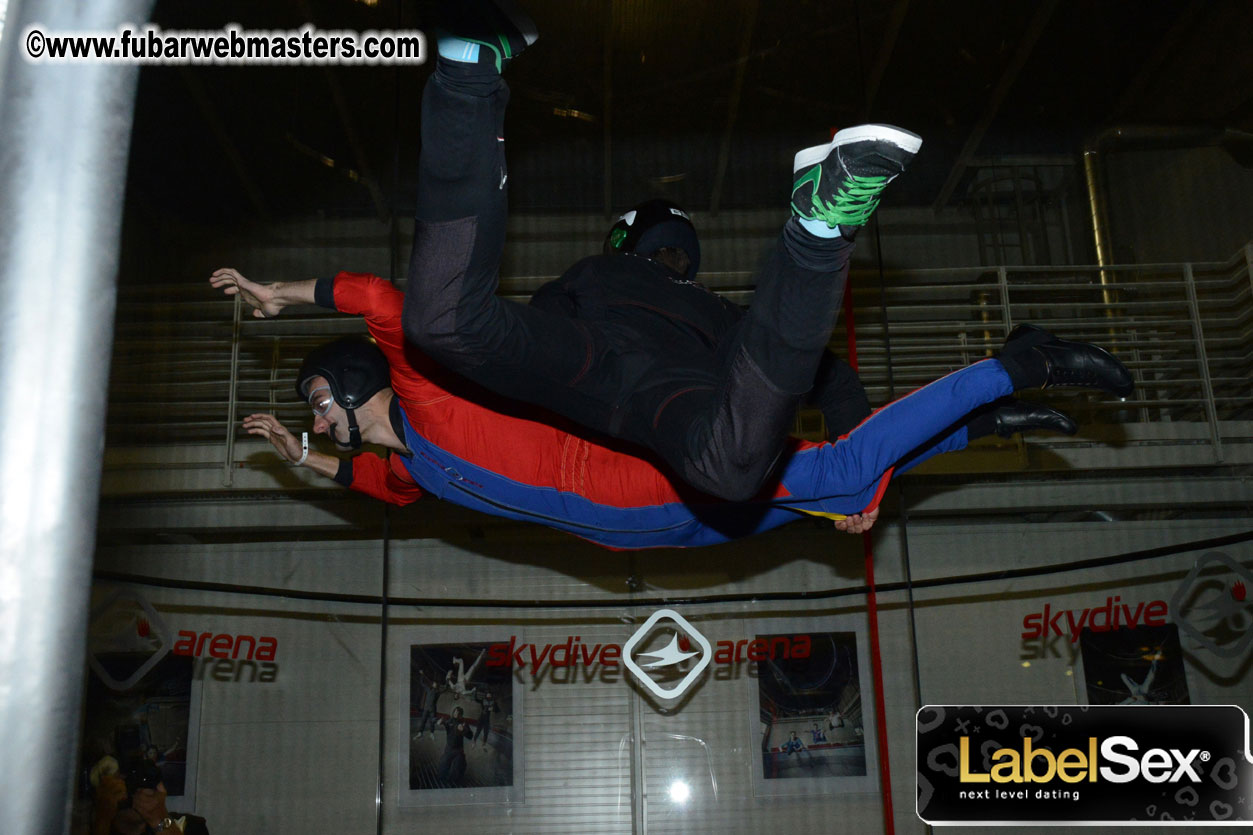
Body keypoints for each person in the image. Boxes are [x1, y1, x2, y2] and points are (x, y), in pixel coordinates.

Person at [397, 1, 1132, 506]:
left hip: (625, 381)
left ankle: (468, 65)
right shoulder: (639, 288)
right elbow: (825, 375)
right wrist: (858, 459)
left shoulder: (624, 284)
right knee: (731, 465)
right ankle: (814, 234)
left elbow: (820, 374)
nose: (670, 266)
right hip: (614, 372)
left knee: (440, 322)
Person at [213, 266, 1100, 549]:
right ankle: (979, 427)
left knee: (840, 472)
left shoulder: (426, 390)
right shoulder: (413, 469)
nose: (320, 415)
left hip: (652, 485)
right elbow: (376, 489)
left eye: (322, 398)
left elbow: (379, 294)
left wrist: (283, 294)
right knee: (843, 502)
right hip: (669, 533)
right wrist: (298, 456)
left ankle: (1016, 364)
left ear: (358, 381)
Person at [91, 758, 209, 835]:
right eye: (131, 782)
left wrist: (160, 821)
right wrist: (103, 819)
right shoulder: (96, 824)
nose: (141, 791)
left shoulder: (189, 826)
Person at [437, 706, 474, 786]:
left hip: (458, 750)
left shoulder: (463, 723)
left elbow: (470, 736)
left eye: (458, 713)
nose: (456, 714)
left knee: (458, 772)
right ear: (453, 712)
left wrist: (463, 730)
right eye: (455, 712)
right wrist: (440, 722)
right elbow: (441, 722)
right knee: (441, 772)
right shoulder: (449, 721)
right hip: (449, 749)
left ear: (461, 715)